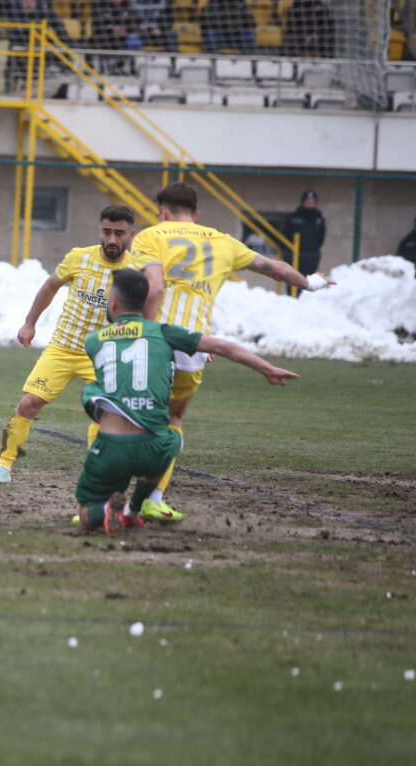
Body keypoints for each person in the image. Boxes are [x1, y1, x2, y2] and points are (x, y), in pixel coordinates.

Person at [130, 181, 333, 522]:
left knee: (131, 417)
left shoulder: (150, 236)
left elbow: (155, 286)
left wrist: (140, 332)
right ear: (197, 214)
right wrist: (312, 282)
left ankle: (115, 494)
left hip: (156, 339)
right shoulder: (222, 241)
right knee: (173, 419)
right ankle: (154, 497)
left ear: (163, 212)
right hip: (194, 345)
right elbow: (275, 268)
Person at [75, 269, 300, 535]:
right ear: (146, 301)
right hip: (153, 449)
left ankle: (109, 511)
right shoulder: (165, 332)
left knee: (86, 516)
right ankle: (134, 509)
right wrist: (267, 369)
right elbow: (222, 347)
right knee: (174, 436)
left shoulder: (93, 341)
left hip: (111, 448)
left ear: (113, 302)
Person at [0, 205, 138, 485]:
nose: (112, 240)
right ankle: (3, 469)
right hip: (63, 348)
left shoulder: (136, 269)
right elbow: (51, 285)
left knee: (107, 415)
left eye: (119, 234)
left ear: (131, 234)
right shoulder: (79, 258)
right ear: (99, 230)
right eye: (107, 232)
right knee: (29, 403)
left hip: (104, 355)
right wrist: (30, 322)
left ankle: (101, 475)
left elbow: (151, 308)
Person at [280, 189, 326, 296]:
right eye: (307, 201)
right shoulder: (293, 218)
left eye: (312, 202)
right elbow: (284, 235)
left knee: (307, 284)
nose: (310, 204)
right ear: (303, 202)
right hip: (293, 256)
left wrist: (313, 251)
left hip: (311, 257)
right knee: (292, 283)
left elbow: (321, 238)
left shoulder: (319, 220)